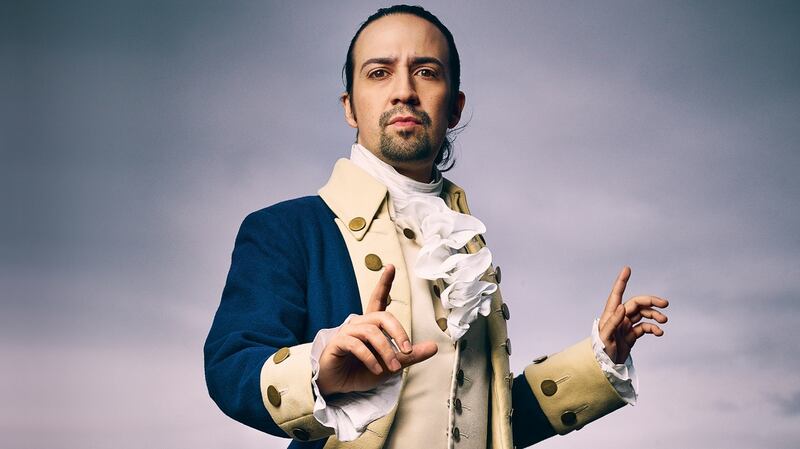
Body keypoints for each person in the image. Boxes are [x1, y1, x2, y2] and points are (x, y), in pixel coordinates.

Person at [204, 5, 669, 449]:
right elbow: (230, 367)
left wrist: (599, 358)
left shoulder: (466, 245)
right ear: (350, 107)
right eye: (379, 72)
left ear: (455, 107)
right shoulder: (285, 229)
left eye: (426, 71)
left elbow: (488, 420)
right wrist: (320, 369)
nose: (403, 90)